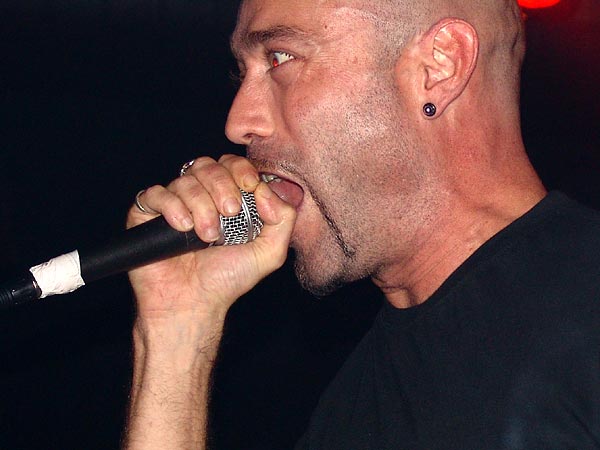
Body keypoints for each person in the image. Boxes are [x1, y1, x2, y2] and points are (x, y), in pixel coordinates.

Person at [122, 0, 600, 448]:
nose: (239, 122)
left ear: (439, 66)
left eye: (281, 58)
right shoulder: (347, 409)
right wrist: (175, 332)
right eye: (242, 73)